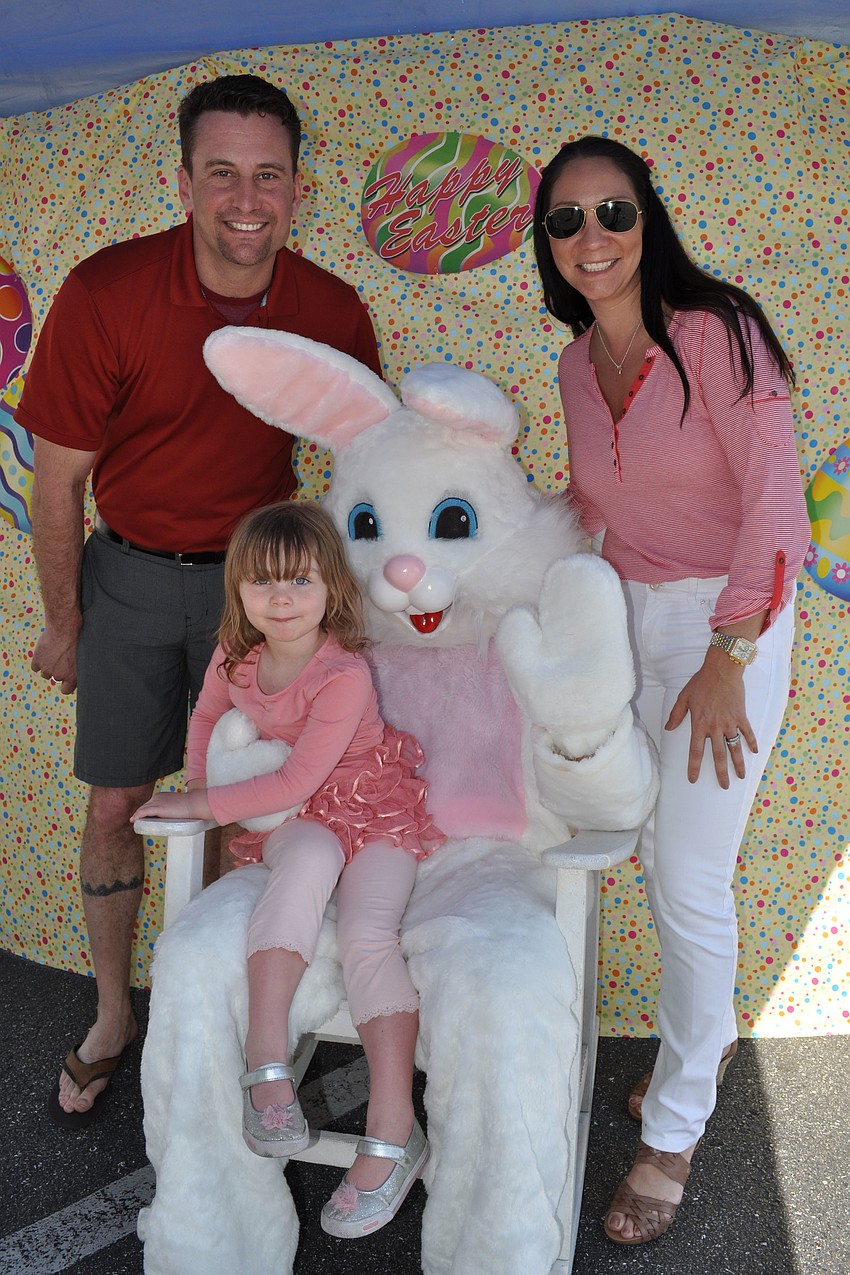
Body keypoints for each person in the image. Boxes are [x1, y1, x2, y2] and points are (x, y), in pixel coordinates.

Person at [15, 72, 382, 1127]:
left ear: (299, 188)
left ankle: (218, 1016)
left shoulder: (330, 309)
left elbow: (367, 469)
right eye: (221, 172)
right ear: (183, 183)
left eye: (268, 175)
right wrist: (65, 622)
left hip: (260, 595)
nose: (245, 199)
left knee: (247, 812)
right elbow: (57, 483)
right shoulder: (106, 292)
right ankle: (112, 1014)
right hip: (127, 579)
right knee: (116, 807)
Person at [533, 135, 811, 1245]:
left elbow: (775, 506)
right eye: (565, 220)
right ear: (547, 245)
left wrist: (728, 655)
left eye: (613, 211)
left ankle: (676, 1129)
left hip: (727, 626)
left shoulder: (717, 330)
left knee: (690, 878)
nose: (591, 236)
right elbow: (593, 510)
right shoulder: (572, 366)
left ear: (648, 219)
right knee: (647, 852)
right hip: (627, 621)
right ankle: (700, 1043)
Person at [133, 501, 442, 1236]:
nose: (281, 598)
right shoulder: (235, 657)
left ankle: (394, 1126)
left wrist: (203, 802)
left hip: (373, 813)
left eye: (300, 580)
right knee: (305, 858)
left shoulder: (343, 673)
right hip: (299, 824)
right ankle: (266, 1059)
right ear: (237, 589)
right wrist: (203, 776)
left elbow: (297, 779)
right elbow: (206, 719)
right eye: (262, 581)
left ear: (331, 586)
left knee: (368, 932)